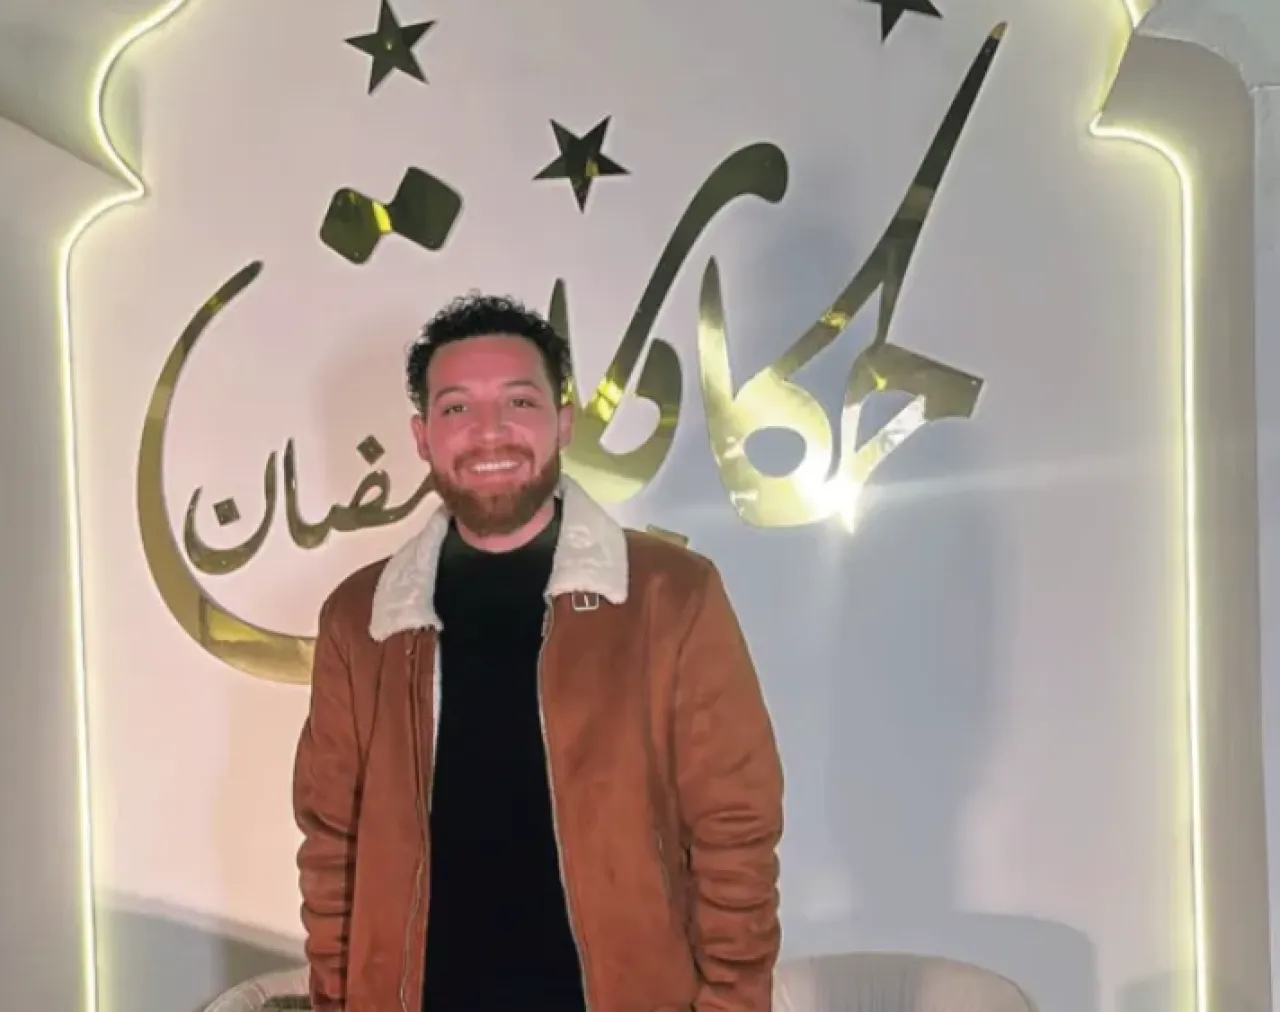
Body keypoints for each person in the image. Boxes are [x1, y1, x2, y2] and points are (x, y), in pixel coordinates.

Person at [292, 292, 784, 1012]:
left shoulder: (669, 596)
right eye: (457, 408)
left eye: (519, 402)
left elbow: (735, 833)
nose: (489, 431)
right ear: (423, 436)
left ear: (563, 421)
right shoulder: (361, 619)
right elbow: (331, 844)